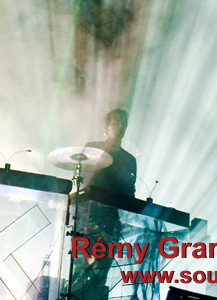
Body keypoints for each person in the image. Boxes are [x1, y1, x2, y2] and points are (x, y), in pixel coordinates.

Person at [73, 109, 138, 299]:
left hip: (110, 221)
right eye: (116, 121)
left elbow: (130, 193)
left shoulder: (129, 160)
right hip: (86, 216)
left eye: (123, 122)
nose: (120, 125)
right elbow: (82, 180)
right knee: (78, 268)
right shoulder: (92, 149)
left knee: (100, 273)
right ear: (105, 127)